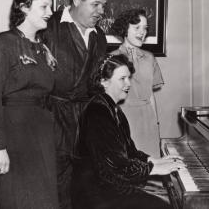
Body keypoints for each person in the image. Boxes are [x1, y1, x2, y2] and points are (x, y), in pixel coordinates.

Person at [0, 0, 58, 209]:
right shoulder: (3, 43)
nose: (50, 13)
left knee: (45, 201)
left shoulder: (42, 48)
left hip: (42, 133)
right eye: (44, 7)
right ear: (24, 7)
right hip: (15, 136)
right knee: (21, 199)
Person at [71, 54, 184, 209]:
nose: (128, 83)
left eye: (129, 78)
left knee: (166, 201)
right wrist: (154, 169)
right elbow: (113, 166)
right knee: (164, 206)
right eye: (122, 78)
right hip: (95, 194)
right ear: (103, 82)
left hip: (108, 186)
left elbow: (130, 152)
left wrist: (156, 161)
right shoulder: (97, 112)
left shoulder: (113, 108)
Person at [42, 0, 108, 209]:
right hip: (52, 119)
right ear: (77, 0)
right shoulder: (48, 26)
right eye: (96, 4)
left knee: (84, 184)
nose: (101, 11)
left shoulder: (99, 36)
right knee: (55, 185)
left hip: (85, 119)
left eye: (103, 6)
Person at [110, 9, 164, 157]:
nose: (142, 32)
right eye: (137, 28)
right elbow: (108, 99)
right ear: (124, 29)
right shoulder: (112, 58)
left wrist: (156, 125)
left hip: (148, 122)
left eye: (145, 28)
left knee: (151, 169)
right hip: (123, 121)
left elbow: (151, 95)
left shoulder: (149, 58)